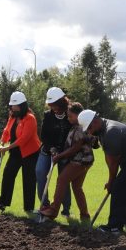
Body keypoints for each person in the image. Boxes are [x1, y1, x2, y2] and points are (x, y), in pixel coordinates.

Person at [78, 109, 126, 234]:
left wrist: (111, 182)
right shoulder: (102, 129)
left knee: (119, 188)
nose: (89, 132)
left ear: (95, 121)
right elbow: (109, 157)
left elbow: (113, 162)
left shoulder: (110, 132)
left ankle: (114, 226)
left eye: (90, 128)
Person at [39, 103, 95, 222]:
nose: (68, 119)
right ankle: (85, 216)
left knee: (62, 179)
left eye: (70, 116)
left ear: (79, 115)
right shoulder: (77, 126)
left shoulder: (80, 128)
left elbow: (74, 148)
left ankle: (53, 210)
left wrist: (59, 156)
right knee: (77, 187)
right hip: (85, 161)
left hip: (80, 161)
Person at [0, 91, 41, 215]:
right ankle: (2, 202)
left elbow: (24, 138)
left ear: (23, 105)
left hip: (30, 152)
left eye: (16, 106)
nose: (13, 108)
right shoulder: (12, 117)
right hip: (15, 152)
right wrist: (2, 143)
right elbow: (7, 131)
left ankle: (29, 207)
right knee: (8, 174)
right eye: (12, 106)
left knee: (28, 179)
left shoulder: (30, 118)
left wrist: (7, 148)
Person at [36, 87, 73, 215]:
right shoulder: (48, 115)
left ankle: (66, 209)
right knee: (40, 172)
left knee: (63, 178)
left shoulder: (70, 114)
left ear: (62, 102)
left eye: (55, 104)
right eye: (51, 105)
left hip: (65, 152)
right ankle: (44, 205)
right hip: (47, 150)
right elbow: (44, 136)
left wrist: (62, 152)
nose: (53, 107)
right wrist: (52, 148)